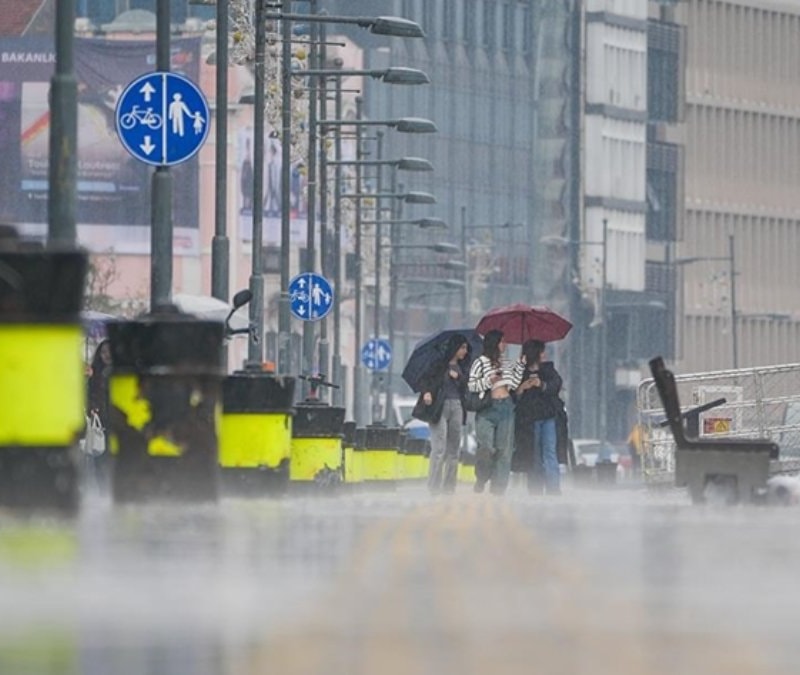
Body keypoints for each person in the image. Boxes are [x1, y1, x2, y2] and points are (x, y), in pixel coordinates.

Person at [467, 329, 525, 495]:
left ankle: (499, 488)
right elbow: (472, 385)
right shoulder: (480, 362)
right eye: (502, 341)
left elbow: (513, 384)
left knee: (504, 450)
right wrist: (489, 381)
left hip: (506, 407)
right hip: (487, 407)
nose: (505, 345)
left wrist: (520, 365)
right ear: (494, 343)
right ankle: (482, 477)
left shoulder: (506, 363)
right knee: (486, 447)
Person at [415, 334, 471, 495]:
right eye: (462, 348)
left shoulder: (464, 366)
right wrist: (426, 393)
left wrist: (459, 377)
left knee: (453, 450)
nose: (465, 352)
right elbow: (424, 380)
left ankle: (449, 488)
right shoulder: (438, 365)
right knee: (439, 449)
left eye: (466, 348)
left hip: (457, 407)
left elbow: (468, 386)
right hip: (439, 407)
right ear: (454, 348)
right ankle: (434, 487)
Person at [514, 339, 564, 495]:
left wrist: (541, 384)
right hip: (529, 420)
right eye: (541, 351)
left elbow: (556, 385)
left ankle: (553, 489)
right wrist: (522, 387)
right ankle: (535, 488)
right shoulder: (519, 372)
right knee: (533, 454)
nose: (544, 354)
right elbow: (513, 395)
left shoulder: (548, 370)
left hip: (547, 416)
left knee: (549, 452)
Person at [87, 339, 112, 490]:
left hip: (116, 420)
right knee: (99, 454)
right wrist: (92, 407)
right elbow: (89, 394)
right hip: (101, 421)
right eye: (103, 352)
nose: (106, 355)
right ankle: (102, 486)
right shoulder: (95, 374)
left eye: (109, 351)